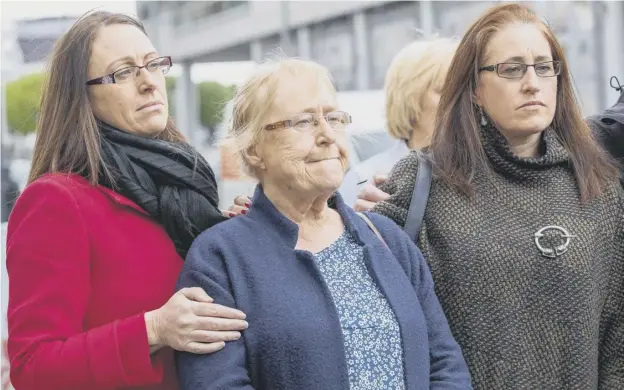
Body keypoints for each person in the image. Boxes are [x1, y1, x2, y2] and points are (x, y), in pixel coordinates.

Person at [366, 3, 623, 389]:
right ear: (474, 89)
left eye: (544, 66)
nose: (532, 82)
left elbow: (617, 337)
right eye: (512, 68)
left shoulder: (598, 183)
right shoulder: (424, 179)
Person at [175, 58, 472, 390]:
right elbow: (216, 383)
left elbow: (445, 363)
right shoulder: (219, 258)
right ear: (255, 148)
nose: (328, 135)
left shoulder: (386, 236)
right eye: (303, 122)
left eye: (333, 118)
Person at [6, 12, 248, 390]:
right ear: (81, 98)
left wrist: (240, 231)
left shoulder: (183, 185)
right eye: (122, 73)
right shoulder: (56, 201)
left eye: (153, 64)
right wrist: (153, 329)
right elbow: (32, 368)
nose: (149, 82)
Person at [339, 37, 457, 206]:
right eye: (443, 91)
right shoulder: (365, 179)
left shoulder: (487, 175)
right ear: (411, 98)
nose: (458, 103)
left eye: (462, 92)